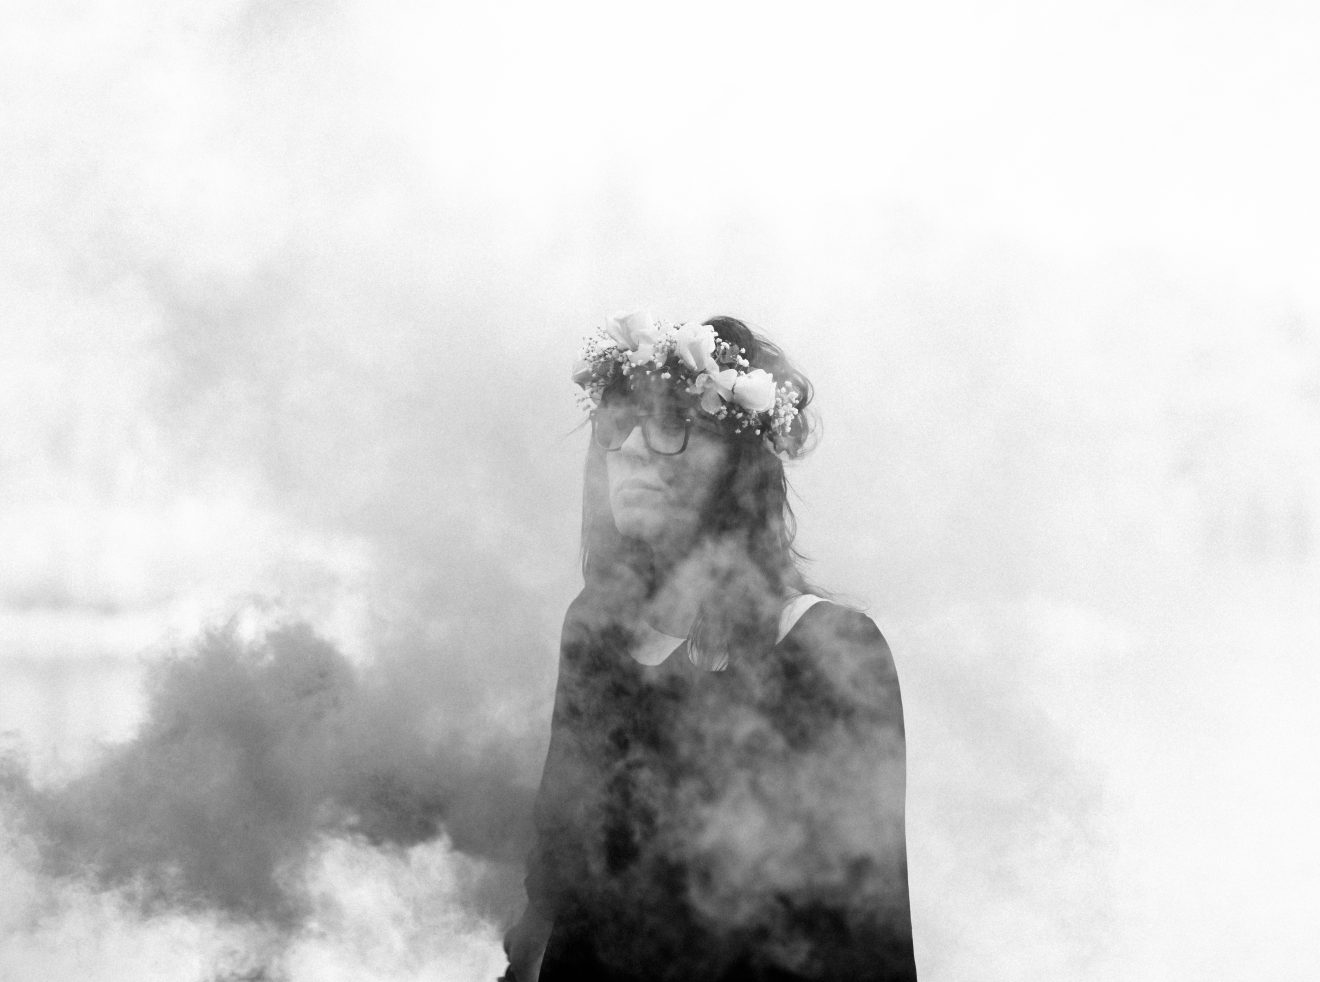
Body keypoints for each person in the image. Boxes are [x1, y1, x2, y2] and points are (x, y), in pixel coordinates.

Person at [503, 312, 917, 981]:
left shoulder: (825, 646)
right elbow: (552, 871)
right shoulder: (594, 629)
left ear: (737, 467)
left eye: (669, 425)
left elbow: (856, 928)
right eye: (616, 426)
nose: (632, 447)